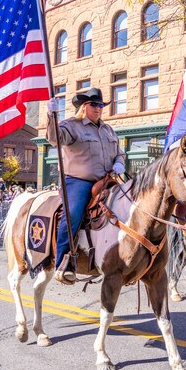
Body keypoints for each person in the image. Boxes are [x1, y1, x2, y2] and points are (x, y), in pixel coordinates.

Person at [46, 87, 125, 285]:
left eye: (101, 105)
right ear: (84, 106)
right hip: (78, 180)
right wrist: (51, 116)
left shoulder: (108, 130)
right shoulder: (72, 126)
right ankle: (64, 261)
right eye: (94, 105)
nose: (99, 108)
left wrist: (120, 163)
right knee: (72, 213)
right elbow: (54, 138)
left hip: (108, 180)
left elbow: (119, 153)